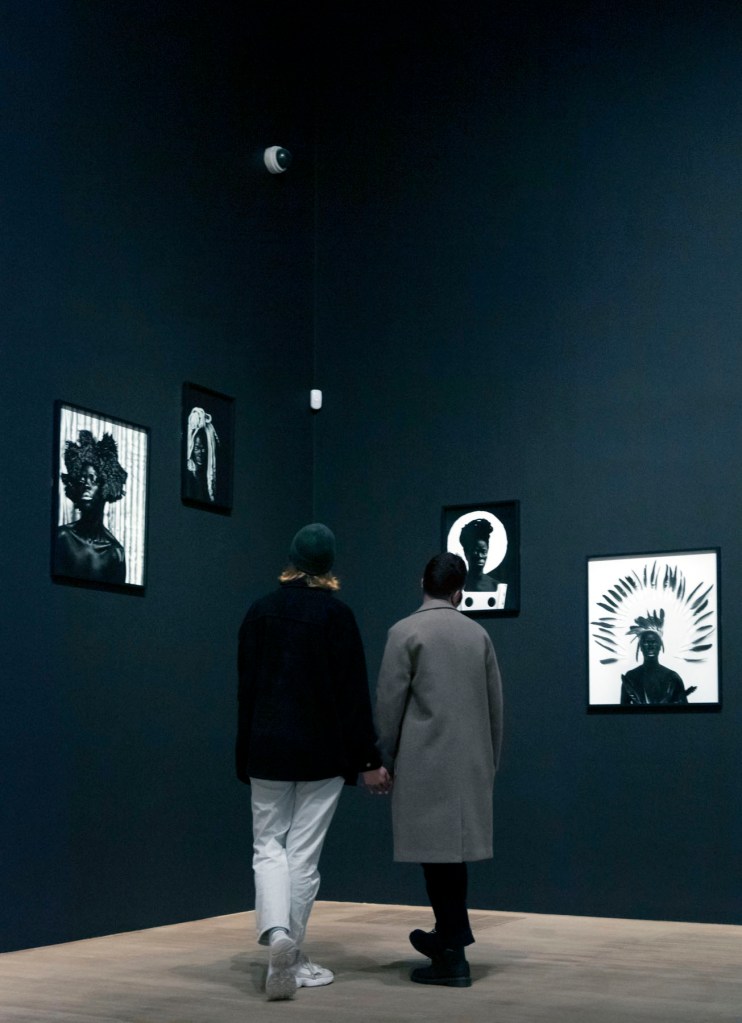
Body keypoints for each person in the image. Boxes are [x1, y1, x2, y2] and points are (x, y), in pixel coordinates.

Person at [236, 523, 391, 1001]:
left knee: (268, 846)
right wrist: (368, 758)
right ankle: (292, 952)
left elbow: (246, 690)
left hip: (266, 749)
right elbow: (352, 696)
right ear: (329, 565)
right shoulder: (337, 617)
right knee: (303, 853)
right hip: (322, 752)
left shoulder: (259, 613)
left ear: (291, 559)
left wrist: (244, 751)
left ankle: (276, 936)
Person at [376, 552, 503, 988]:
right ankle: (449, 940)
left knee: (436, 859)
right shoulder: (477, 635)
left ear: (421, 582)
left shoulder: (404, 632)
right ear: (459, 590)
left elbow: (389, 705)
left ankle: (452, 950)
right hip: (468, 764)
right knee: (451, 857)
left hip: (423, 762)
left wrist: (382, 759)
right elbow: (495, 708)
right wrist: (490, 763)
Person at [54, 429, 127, 584]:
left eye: (93, 480)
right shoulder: (62, 537)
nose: (86, 484)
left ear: (106, 487)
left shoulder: (115, 552)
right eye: (82, 479)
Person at [621, 628, 691, 705]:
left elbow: (684, 711)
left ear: (660, 646)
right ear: (640, 647)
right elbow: (623, 712)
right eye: (646, 642)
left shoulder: (673, 677)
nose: (650, 646)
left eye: (654, 642)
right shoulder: (631, 677)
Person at [185, 407, 218, 502]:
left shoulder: (208, 478)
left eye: (204, 448)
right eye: (197, 448)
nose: (201, 452)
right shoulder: (189, 477)